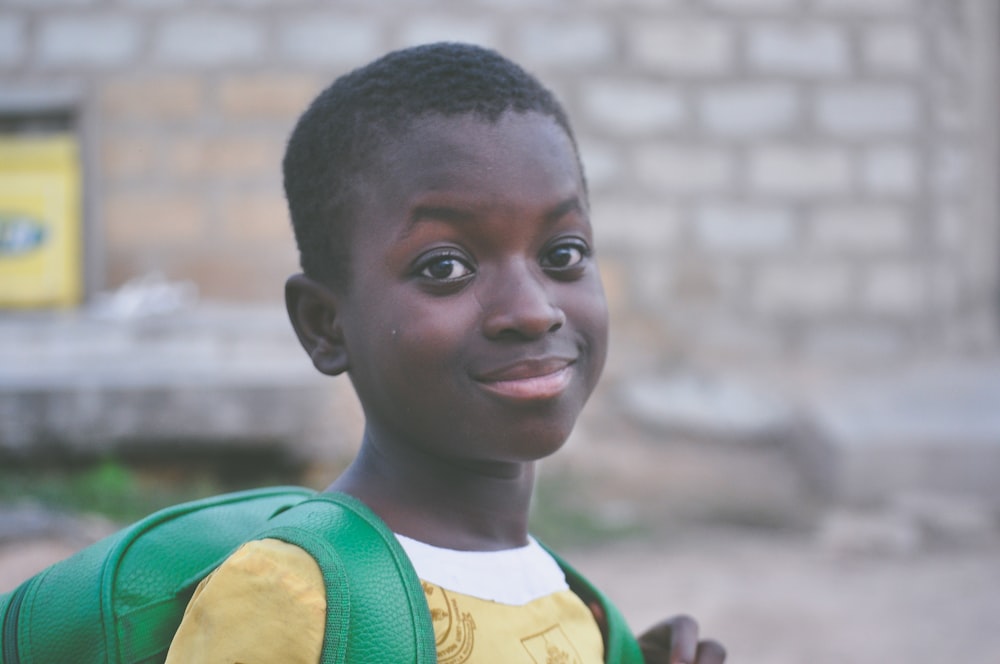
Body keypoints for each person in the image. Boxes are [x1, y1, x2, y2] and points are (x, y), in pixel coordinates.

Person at [165, 42, 726, 664]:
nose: (534, 309)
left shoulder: (571, 606)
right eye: (446, 266)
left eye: (562, 253)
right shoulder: (298, 599)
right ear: (326, 325)